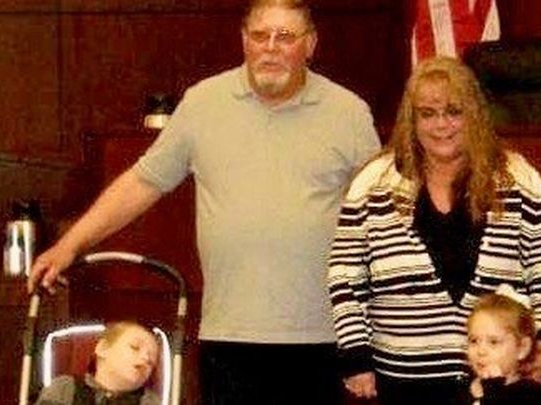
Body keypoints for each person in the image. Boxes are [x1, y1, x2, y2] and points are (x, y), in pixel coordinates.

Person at [28, 0, 380, 404]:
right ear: (244, 40)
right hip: (229, 340)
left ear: (310, 44)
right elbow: (141, 183)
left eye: (285, 36)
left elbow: (380, 213)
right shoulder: (203, 103)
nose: (270, 47)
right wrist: (70, 245)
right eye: (260, 35)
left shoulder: (348, 112)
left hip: (323, 338)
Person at [327, 56, 541, 404]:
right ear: (411, 120)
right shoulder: (373, 183)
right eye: (427, 114)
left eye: (454, 112)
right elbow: (345, 277)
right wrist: (355, 354)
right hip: (402, 384)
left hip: (499, 387)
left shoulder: (518, 179)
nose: (441, 125)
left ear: (475, 115)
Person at [35, 321, 161, 405]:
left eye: (151, 361)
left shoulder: (150, 401)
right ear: (103, 349)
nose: (145, 358)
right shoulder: (64, 388)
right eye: (135, 347)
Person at [465, 284, 541, 404]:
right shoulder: (464, 389)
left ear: (522, 348)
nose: (481, 351)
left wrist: (494, 389)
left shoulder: (531, 393)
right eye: (474, 341)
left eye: (493, 342)